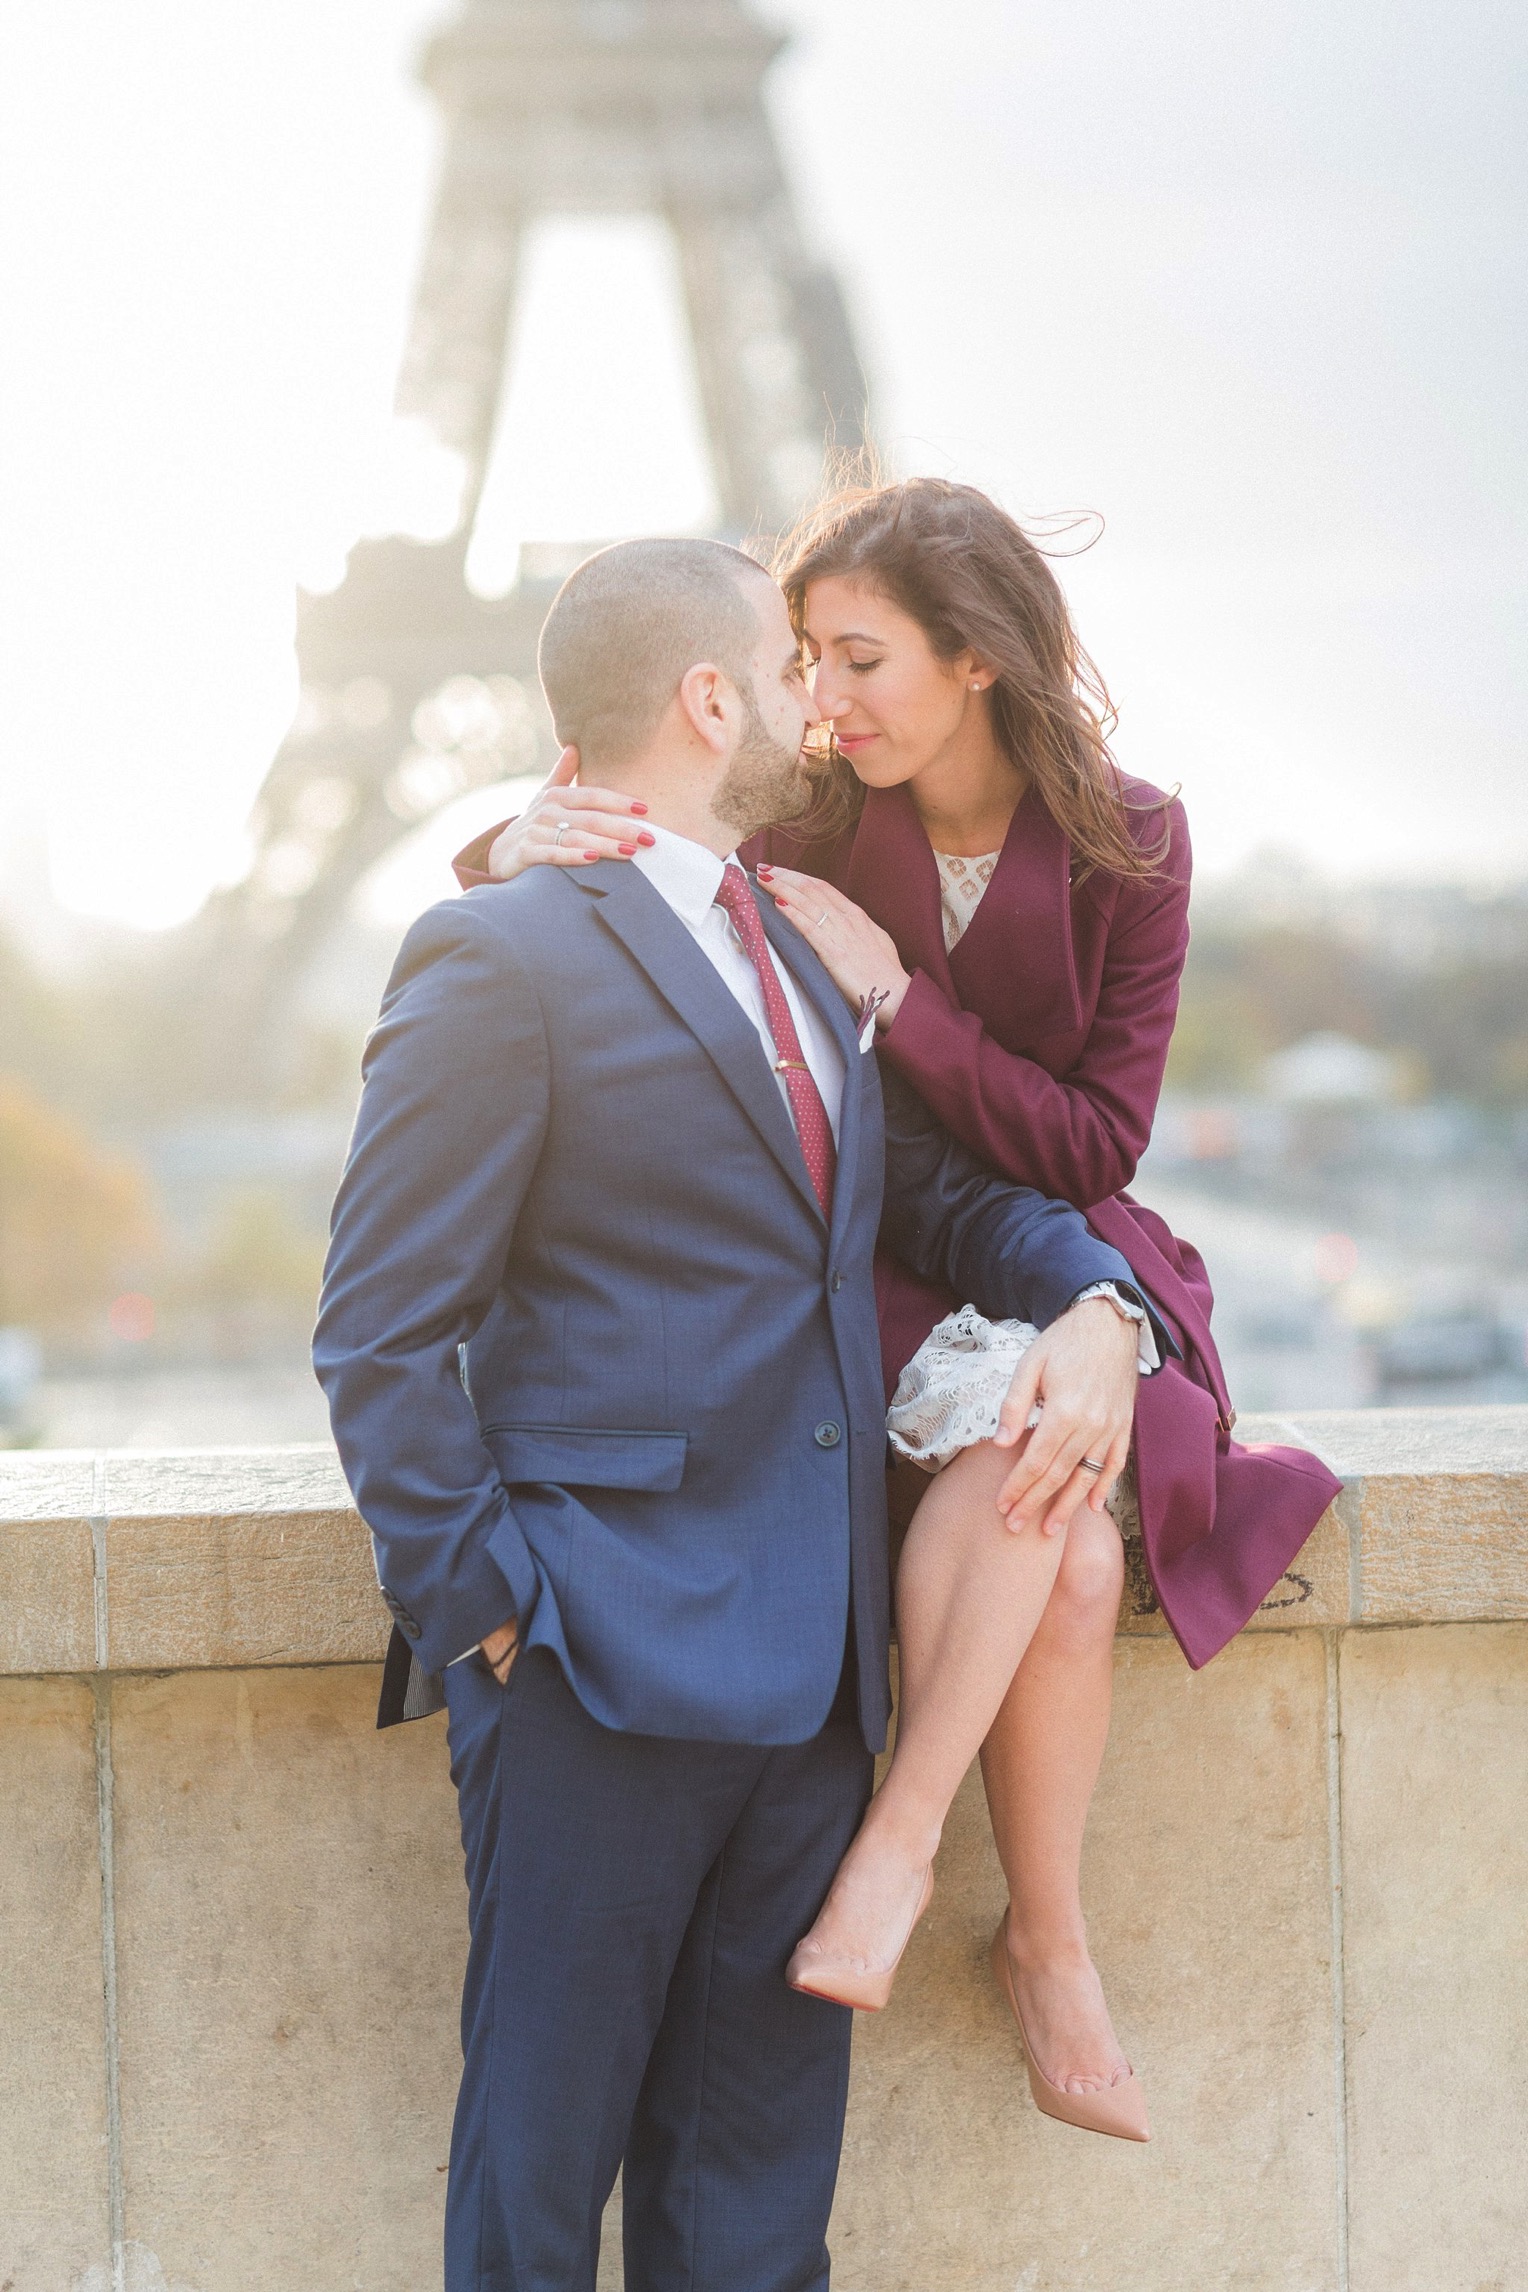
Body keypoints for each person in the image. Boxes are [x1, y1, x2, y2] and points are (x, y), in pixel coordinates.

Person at [315, 535, 1164, 2290]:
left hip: (812, 1686)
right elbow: (381, 1332)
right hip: (585, 1671)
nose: (816, 702)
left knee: (756, 2225)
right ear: (710, 700)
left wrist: (1099, 1300)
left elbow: (932, 1205)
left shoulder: (797, 951)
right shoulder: (500, 955)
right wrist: (491, 1617)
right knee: (534, 2201)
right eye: (788, 673)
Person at [456, 478, 1340, 2146]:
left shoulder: (1131, 843)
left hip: (1047, 1253)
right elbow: (641, 844)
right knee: (1067, 1548)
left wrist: (890, 992)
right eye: (802, 658)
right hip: (861, 1249)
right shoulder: (800, 803)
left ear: (979, 656)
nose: (824, 698)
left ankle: (919, 1854)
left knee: (1048, 1464)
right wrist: (508, 838)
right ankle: (1028, 1928)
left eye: (859, 658)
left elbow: (1091, 1146)